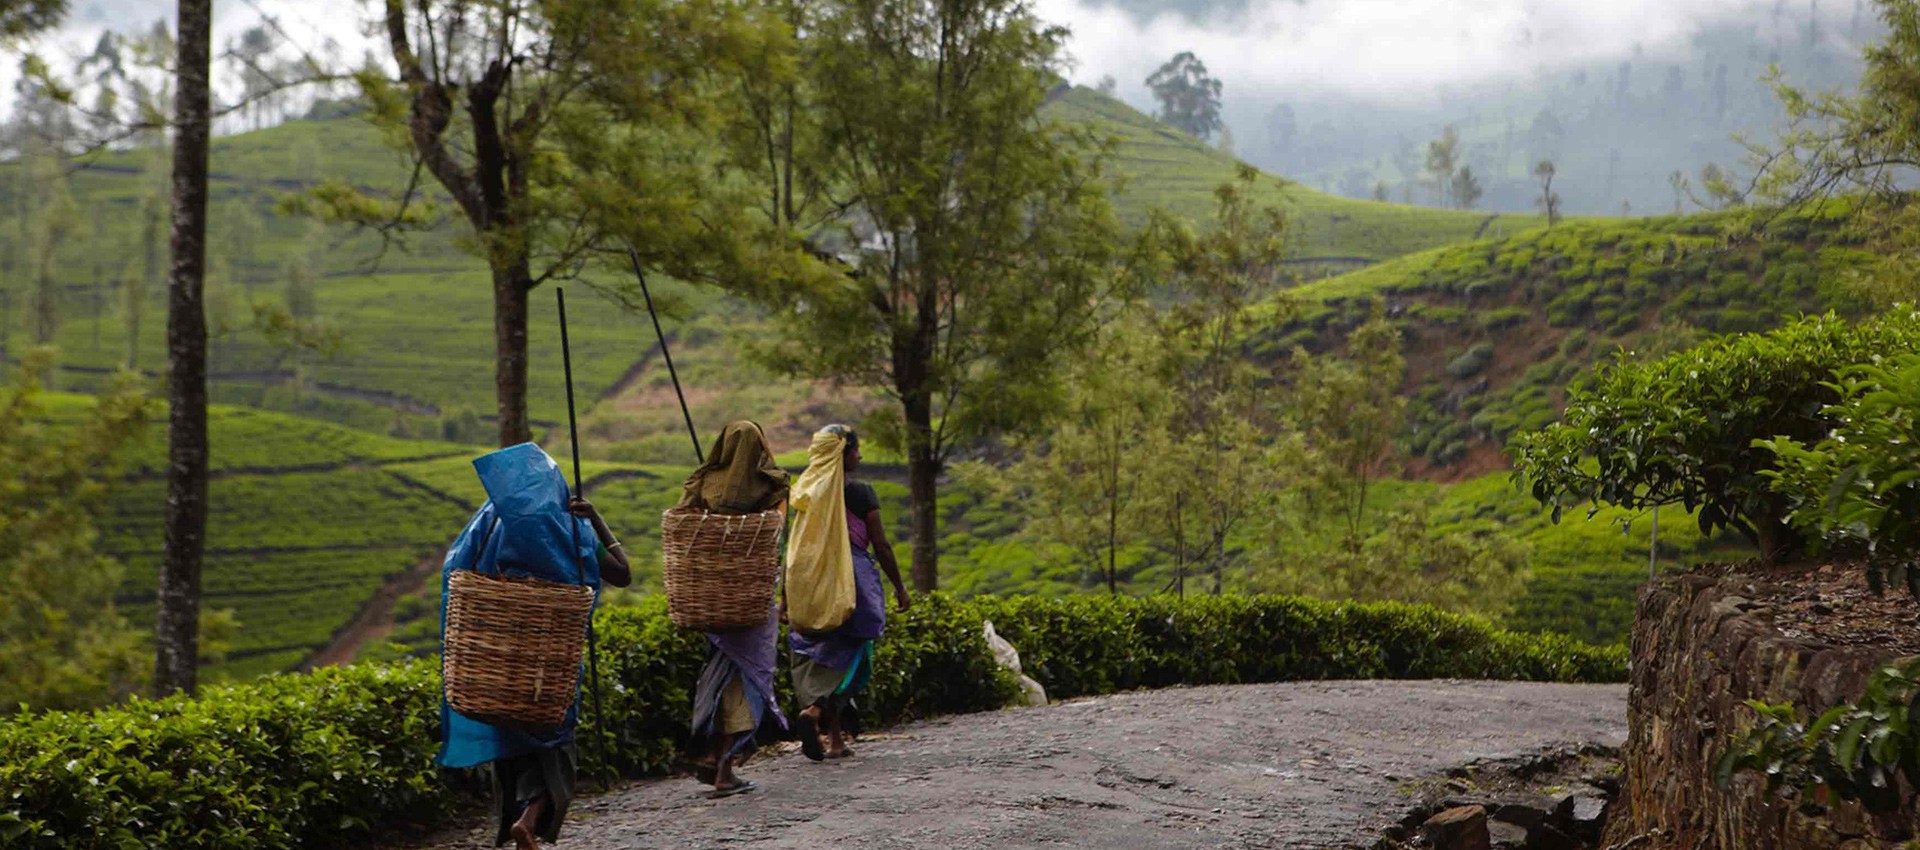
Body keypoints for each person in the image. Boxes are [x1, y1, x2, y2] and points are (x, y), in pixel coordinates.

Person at [436, 443, 631, 850]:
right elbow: (623, 574)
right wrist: (595, 519)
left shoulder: (488, 527)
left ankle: (512, 821)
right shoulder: (570, 530)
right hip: (547, 671)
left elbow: (457, 572)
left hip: (494, 671)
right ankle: (530, 818)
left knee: (513, 746)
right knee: (557, 748)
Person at [676, 420, 790, 798]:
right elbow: (774, 534)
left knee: (719, 671)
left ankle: (711, 753)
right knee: (745, 679)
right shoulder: (772, 487)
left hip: (710, 599)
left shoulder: (703, 481)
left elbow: (684, 522)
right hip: (751, 603)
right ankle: (724, 767)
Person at [786, 424, 911, 762]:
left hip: (811, 580)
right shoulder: (860, 494)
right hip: (849, 582)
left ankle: (836, 740)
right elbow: (881, 545)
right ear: (843, 454)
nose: (861, 456)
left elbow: (795, 547)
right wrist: (899, 586)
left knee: (823, 653)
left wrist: (787, 596)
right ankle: (814, 712)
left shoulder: (804, 494)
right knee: (852, 654)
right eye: (856, 450)